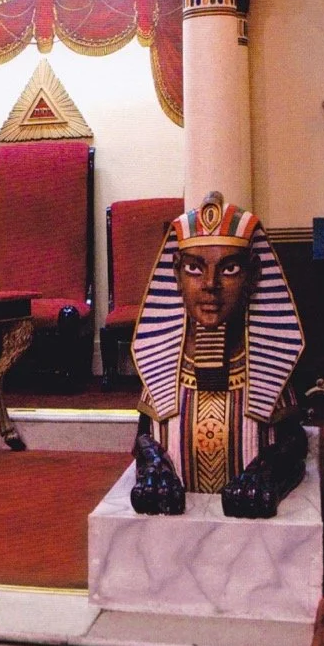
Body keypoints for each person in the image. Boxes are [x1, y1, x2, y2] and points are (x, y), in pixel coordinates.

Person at [129, 191, 306, 518]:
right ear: (176, 274)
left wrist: (267, 472)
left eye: (230, 268)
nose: (210, 284)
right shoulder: (164, 364)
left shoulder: (268, 363)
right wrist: (154, 464)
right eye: (194, 268)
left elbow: (293, 444)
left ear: (253, 274)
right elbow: (145, 437)